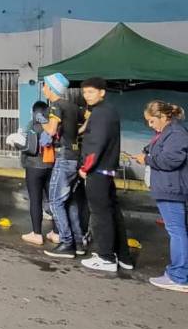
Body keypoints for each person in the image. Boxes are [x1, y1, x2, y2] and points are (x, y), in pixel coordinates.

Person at [77, 77, 132, 273]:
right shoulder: (109, 111)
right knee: (112, 212)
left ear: (102, 92)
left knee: (100, 214)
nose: (87, 96)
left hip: (97, 171)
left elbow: (95, 145)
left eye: (91, 92)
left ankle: (106, 257)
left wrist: (85, 167)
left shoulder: (100, 113)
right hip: (107, 169)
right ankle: (123, 256)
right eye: (85, 92)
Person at [135, 101, 188, 291]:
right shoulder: (166, 133)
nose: (150, 125)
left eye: (151, 121)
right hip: (167, 187)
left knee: (177, 231)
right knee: (178, 230)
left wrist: (147, 159)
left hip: (172, 188)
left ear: (164, 117)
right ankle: (178, 272)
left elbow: (172, 160)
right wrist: (147, 152)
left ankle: (180, 277)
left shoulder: (176, 133)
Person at [41, 73, 87, 259]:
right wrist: (74, 134)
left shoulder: (56, 106)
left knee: (55, 202)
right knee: (70, 202)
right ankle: (78, 243)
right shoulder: (74, 107)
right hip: (75, 156)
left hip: (64, 157)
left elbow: (51, 130)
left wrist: (41, 120)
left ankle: (66, 243)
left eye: (44, 85)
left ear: (50, 88)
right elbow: (86, 123)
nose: (43, 88)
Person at [10, 101, 54, 246]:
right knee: (53, 200)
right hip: (50, 166)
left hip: (35, 167)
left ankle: (36, 234)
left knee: (35, 200)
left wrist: (15, 143)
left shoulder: (33, 126)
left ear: (35, 113)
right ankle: (57, 232)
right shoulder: (53, 126)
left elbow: (28, 147)